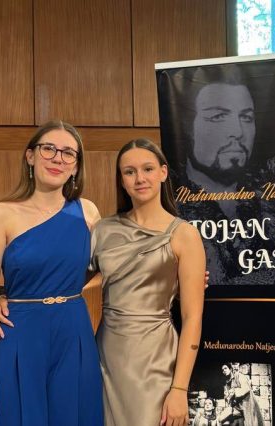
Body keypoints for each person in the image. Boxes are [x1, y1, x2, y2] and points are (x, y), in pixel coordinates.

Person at [0, 120, 104, 425]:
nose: (58, 158)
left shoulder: (88, 212)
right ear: (30, 156)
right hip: (19, 333)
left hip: (73, 332)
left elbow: (115, 268)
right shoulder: (0, 214)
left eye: (68, 153)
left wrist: (175, 278)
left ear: (76, 166)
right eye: (49, 149)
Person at [89, 138, 205, 426]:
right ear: (121, 180)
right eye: (129, 172)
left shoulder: (184, 235)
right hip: (105, 358)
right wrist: (5, 297)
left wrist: (180, 389)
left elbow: (192, 318)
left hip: (157, 360)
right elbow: (66, 284)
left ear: (163, 173)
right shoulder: (102, 230)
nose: (139, 178)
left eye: (148, 169)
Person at [162, 65, 275, 285]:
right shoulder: (168, 209)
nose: (237, 132)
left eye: (246, 117)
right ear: (186, 126)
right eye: (218, 117)